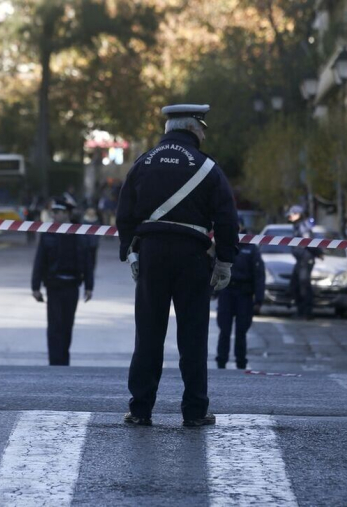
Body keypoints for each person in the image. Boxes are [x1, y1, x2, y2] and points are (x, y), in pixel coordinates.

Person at [117, 103, 238, 427]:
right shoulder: (207, 167)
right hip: (192, 258)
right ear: (194, 128)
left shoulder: (143, 163)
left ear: (169, 129)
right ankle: (195, 411)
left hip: (152, 254)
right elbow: (227, 217)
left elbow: (125, 211)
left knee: (148, 336)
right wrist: (225, 260)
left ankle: (140, 409)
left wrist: (128, 251)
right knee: (193, 336)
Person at [32, 197, 95, 366]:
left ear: (67, 213)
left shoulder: (79, 233)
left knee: (67, 325)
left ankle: (63, 361)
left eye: (57, 213)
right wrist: (35, 286)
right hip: (54, 285)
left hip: (72, 285)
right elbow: (40, 261)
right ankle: (55, 362)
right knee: (54, 326)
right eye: (53, 212)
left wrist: (89, 286)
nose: (54, 216)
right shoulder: (49, 233)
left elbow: (88, 262)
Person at [215, 224, 265, 370]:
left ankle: (241, 361)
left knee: (241, 330)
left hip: (244, 294)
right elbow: (215, 267)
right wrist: (212, 291)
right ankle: (221, 361)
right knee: (224, 329)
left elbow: (259, 275)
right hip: (227, 292)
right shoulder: (225, 243)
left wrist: (259, 300)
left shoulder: (251, 248)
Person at [287, 205, 323, 320]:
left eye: (292, 214)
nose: (290, 216)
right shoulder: (298, 226)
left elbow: (309, 242)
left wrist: (318, 253)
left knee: (304, 286)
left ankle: (307, 313)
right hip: (301, 260)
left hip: (305, 260)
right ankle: (301, 311)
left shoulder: (303, 226)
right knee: (295, 285)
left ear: (298, 214)